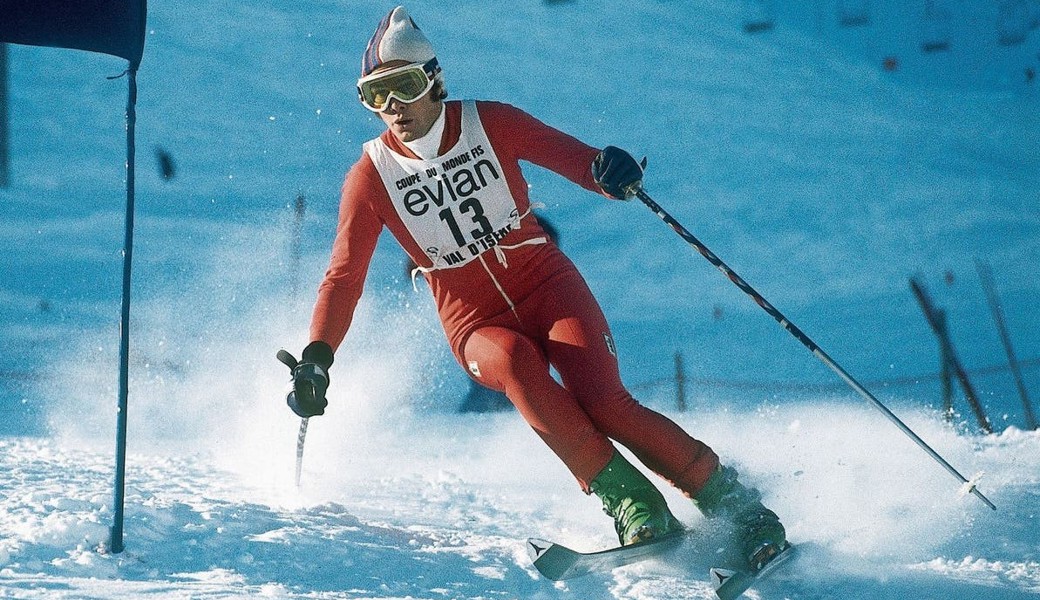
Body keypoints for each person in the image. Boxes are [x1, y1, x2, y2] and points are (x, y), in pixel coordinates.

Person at [286, 6, 786, 570]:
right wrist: (318, 357)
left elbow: (576, 160)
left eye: (402, 86)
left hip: (548, 285)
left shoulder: (490, 122)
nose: (392, 108)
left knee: (605, 402)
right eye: (374, 96)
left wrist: (610, 170)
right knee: (516, 362)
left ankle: (742, 509)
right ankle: (634, 504)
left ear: (432, 79)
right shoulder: (371, 175)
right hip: (472, 321)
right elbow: (344, 276)